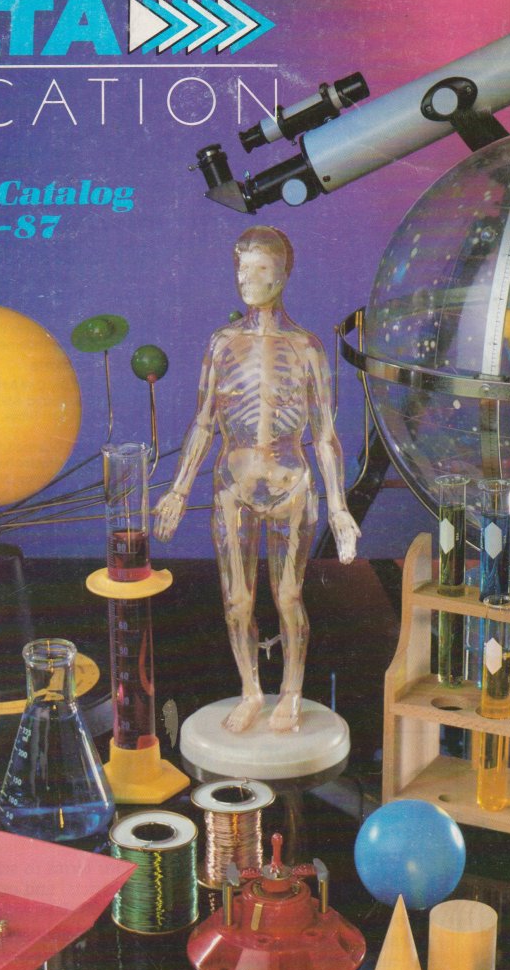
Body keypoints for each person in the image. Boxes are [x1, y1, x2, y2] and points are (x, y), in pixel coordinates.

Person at [153, 225, 359, 734]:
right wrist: (178, 489)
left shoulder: (307, 348)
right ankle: (250, 691)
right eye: (241, 269)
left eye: (259, 269)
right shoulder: (223, 343)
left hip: (292, 488)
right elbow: (204, 422)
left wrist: (339, 508)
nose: (246, 280)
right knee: (237, 600)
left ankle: (291, 692)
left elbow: (325, 435)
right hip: (233, 487)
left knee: (288, 597)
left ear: (283, 275)